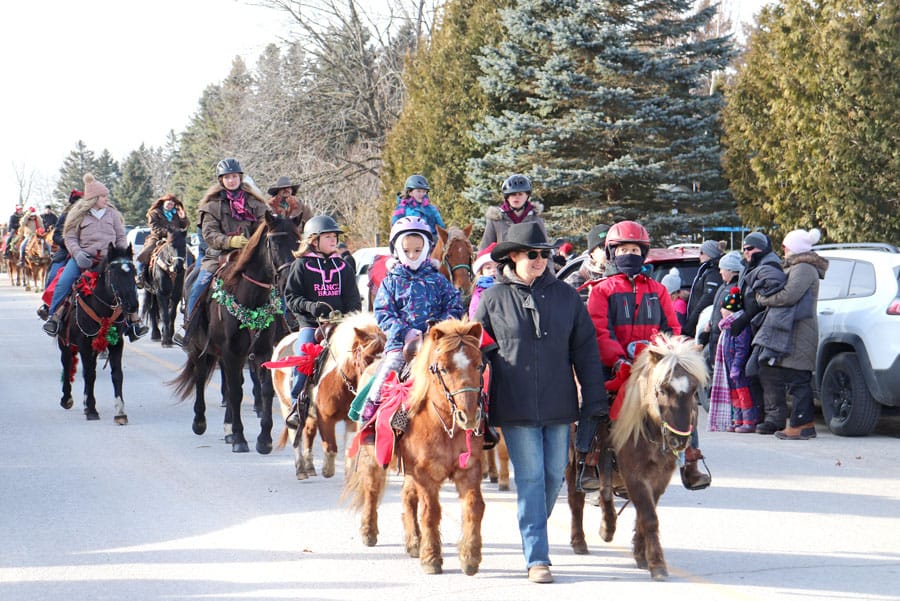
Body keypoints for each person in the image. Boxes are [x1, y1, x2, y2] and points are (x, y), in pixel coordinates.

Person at [474, 221, 608, 584]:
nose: (540, 260)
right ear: (512, 257)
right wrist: (476, 404)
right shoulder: (491, 299)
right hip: (515, 406)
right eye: (532, 254)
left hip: (560, 404)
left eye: (544, 255)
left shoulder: (566, 297)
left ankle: (532, 525)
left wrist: (594, 399)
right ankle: (537, 558)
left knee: (552, 476)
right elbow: (476, 354)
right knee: (531, 478)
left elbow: (586, 352)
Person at [582, 220, 711, 491]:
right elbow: (600, 331)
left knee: (684, 396)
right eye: (623, 249)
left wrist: (662, 356)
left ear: (643, 253)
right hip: (614, 365)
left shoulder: (658, 290)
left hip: (653, 364)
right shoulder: (602, 290)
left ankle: (690, 459)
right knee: (593, 402)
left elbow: (671, 328)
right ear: (612, 253)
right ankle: (589, 460)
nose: (629, 254)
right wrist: (618, 359)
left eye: (635, 249)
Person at [357, 216, 464, 428]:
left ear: (427, 249)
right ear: (397, 250)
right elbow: (384, 312)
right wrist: (404, 332)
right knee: (389, 367)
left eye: (418, 250)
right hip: (403, 344)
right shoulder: (391, 281)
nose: (413, 255)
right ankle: (371, 411)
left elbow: (454, 305)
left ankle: (472, 415)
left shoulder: (438, 280)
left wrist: (441, 327)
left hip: (437, 342)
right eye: (407, 251)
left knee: (462, 369)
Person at [174, 158, 269, 347]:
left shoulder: (256, 204)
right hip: (219, 256)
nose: (231, 180)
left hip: (250, 256)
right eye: (227, 177)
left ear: (240, 178)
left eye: (234, 176)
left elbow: (264, 226)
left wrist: (253, 242)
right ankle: (187, 327)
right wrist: (229, 241)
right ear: (221, 180)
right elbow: (209, 234)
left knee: (275, 281)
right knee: (199, 284)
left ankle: (285, 324)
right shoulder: (211, 205)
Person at [42, 174, 148, 340]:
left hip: (110, 259)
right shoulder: (78, 214)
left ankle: (134, 322)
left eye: (106, 196)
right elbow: (69, 237)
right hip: (84, 258)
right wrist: (77, 253)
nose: (106, 199)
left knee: (128, 283)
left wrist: (121, 253)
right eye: (103, 196)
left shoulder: (112, 214)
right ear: (93, 199)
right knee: (64, 281)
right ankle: (54, 317)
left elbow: (120, 236)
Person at [282, 215, 361, 428]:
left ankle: (362, 401)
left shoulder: (343, 266)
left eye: (334, 236)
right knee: (303, 358)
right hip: (311, 324)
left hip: (340, 324)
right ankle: (297, 404)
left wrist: (348, 316)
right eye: (328, 237)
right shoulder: (301, 265)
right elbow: (290, 298)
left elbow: (353, 298)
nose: (333, 240)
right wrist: (310, 307)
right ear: (313, 240)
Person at [754, 228, 828, 440]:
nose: (783, 249)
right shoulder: (799, 266)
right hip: (792, 331)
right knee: (780, 373)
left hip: (800, 332)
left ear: (795, 247)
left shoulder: (804, 268)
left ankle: (802, 425)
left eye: (786, 245)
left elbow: (789, 296)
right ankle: (796, 423)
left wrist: (764, 299)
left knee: (799, 379)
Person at [731, 231, 785, 427]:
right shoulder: (751, 266)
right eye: (744, 249)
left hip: (766, 326)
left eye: (751, 248)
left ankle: (771, 418)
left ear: (762, 248)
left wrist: (744, 318)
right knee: (751, 371)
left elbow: (761, 299)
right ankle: (758, 416)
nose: (747, 252)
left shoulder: (769, 265)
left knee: (761, 371)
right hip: (753, 327)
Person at [709, 287, 755, 433]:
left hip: (737, 368)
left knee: (743, 394)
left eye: (723, 308)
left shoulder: (738, 327)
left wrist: (736, 367)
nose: (721, 311)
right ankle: (738, 420)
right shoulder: (727, 327)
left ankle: (749, 421)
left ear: (730, 311)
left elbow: (741, 350)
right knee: (734, 394)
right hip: (729, 367)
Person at [38, 190, 83, 319]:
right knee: (53, 276)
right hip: (65, 251)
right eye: (76, 203)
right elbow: (56, 236)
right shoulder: (64, 216)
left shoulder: (88, 215)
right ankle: (48, 306)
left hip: (85, 251)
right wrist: (67, 242)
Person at [698, 250, 744, 377]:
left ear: (730, 270)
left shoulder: (735, 290)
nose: (720, 272)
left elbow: (732, 317)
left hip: (725, 343)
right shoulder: (724, 287)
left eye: (722, 269)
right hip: (715, 339)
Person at [479, 174, 547, 251]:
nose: (516, 197)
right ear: (507, 196)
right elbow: (484, 250)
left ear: (527, 196)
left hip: (529, 261)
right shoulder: (496, 220)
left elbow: (546, 251)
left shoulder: (536, 219)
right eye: (513, 194)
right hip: (503, 261)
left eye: (520, 194)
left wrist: (548, 263)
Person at [135, 193, 189, 287]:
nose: (170, 205)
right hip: (157, 237)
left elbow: (184, 225)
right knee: (146, 251)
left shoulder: (176, 214)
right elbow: (154, 227)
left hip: (174, 238)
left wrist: (183, 218)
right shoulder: (154, 213)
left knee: (187, 251)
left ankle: (189, 275)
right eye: (168, 203)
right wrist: (168, 232)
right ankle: (140, 275)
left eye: (172, 204)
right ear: (163, 202)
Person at [682, 239, 724, 337]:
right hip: (696, 323)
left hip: (701, 325)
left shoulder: (713, 273)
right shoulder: (706, 270)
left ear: (710, 254)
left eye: (701, 253)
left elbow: (706, 301)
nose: (699, 256)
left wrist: (689, 326)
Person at [563, 223, 609, 301]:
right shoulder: (576, 282)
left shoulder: (627, 277)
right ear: (592, 253)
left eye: (613, 246)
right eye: (603, 248)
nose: (610, 251)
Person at [468, 242, 497, 320]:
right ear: (481, 271)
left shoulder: (507, 288)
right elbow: (474, 314)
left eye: (497, 267)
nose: (493, 270)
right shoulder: (479, 293)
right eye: (488, 268)